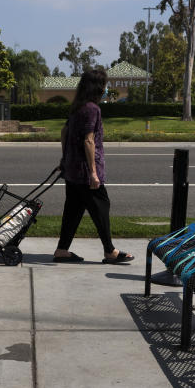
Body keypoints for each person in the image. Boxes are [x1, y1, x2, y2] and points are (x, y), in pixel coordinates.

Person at [53, 68, 133, 264]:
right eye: (104, 84)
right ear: (98, 87)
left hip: (72, 170)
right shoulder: (92, 109)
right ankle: (110, 251)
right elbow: (89, 141)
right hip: (85, 173)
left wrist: (65, 159)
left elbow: (64, 132)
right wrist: (94, 173)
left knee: (73, 210)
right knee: (101, 206)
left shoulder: (77, 107)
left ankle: (62, 250)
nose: (106, 88)